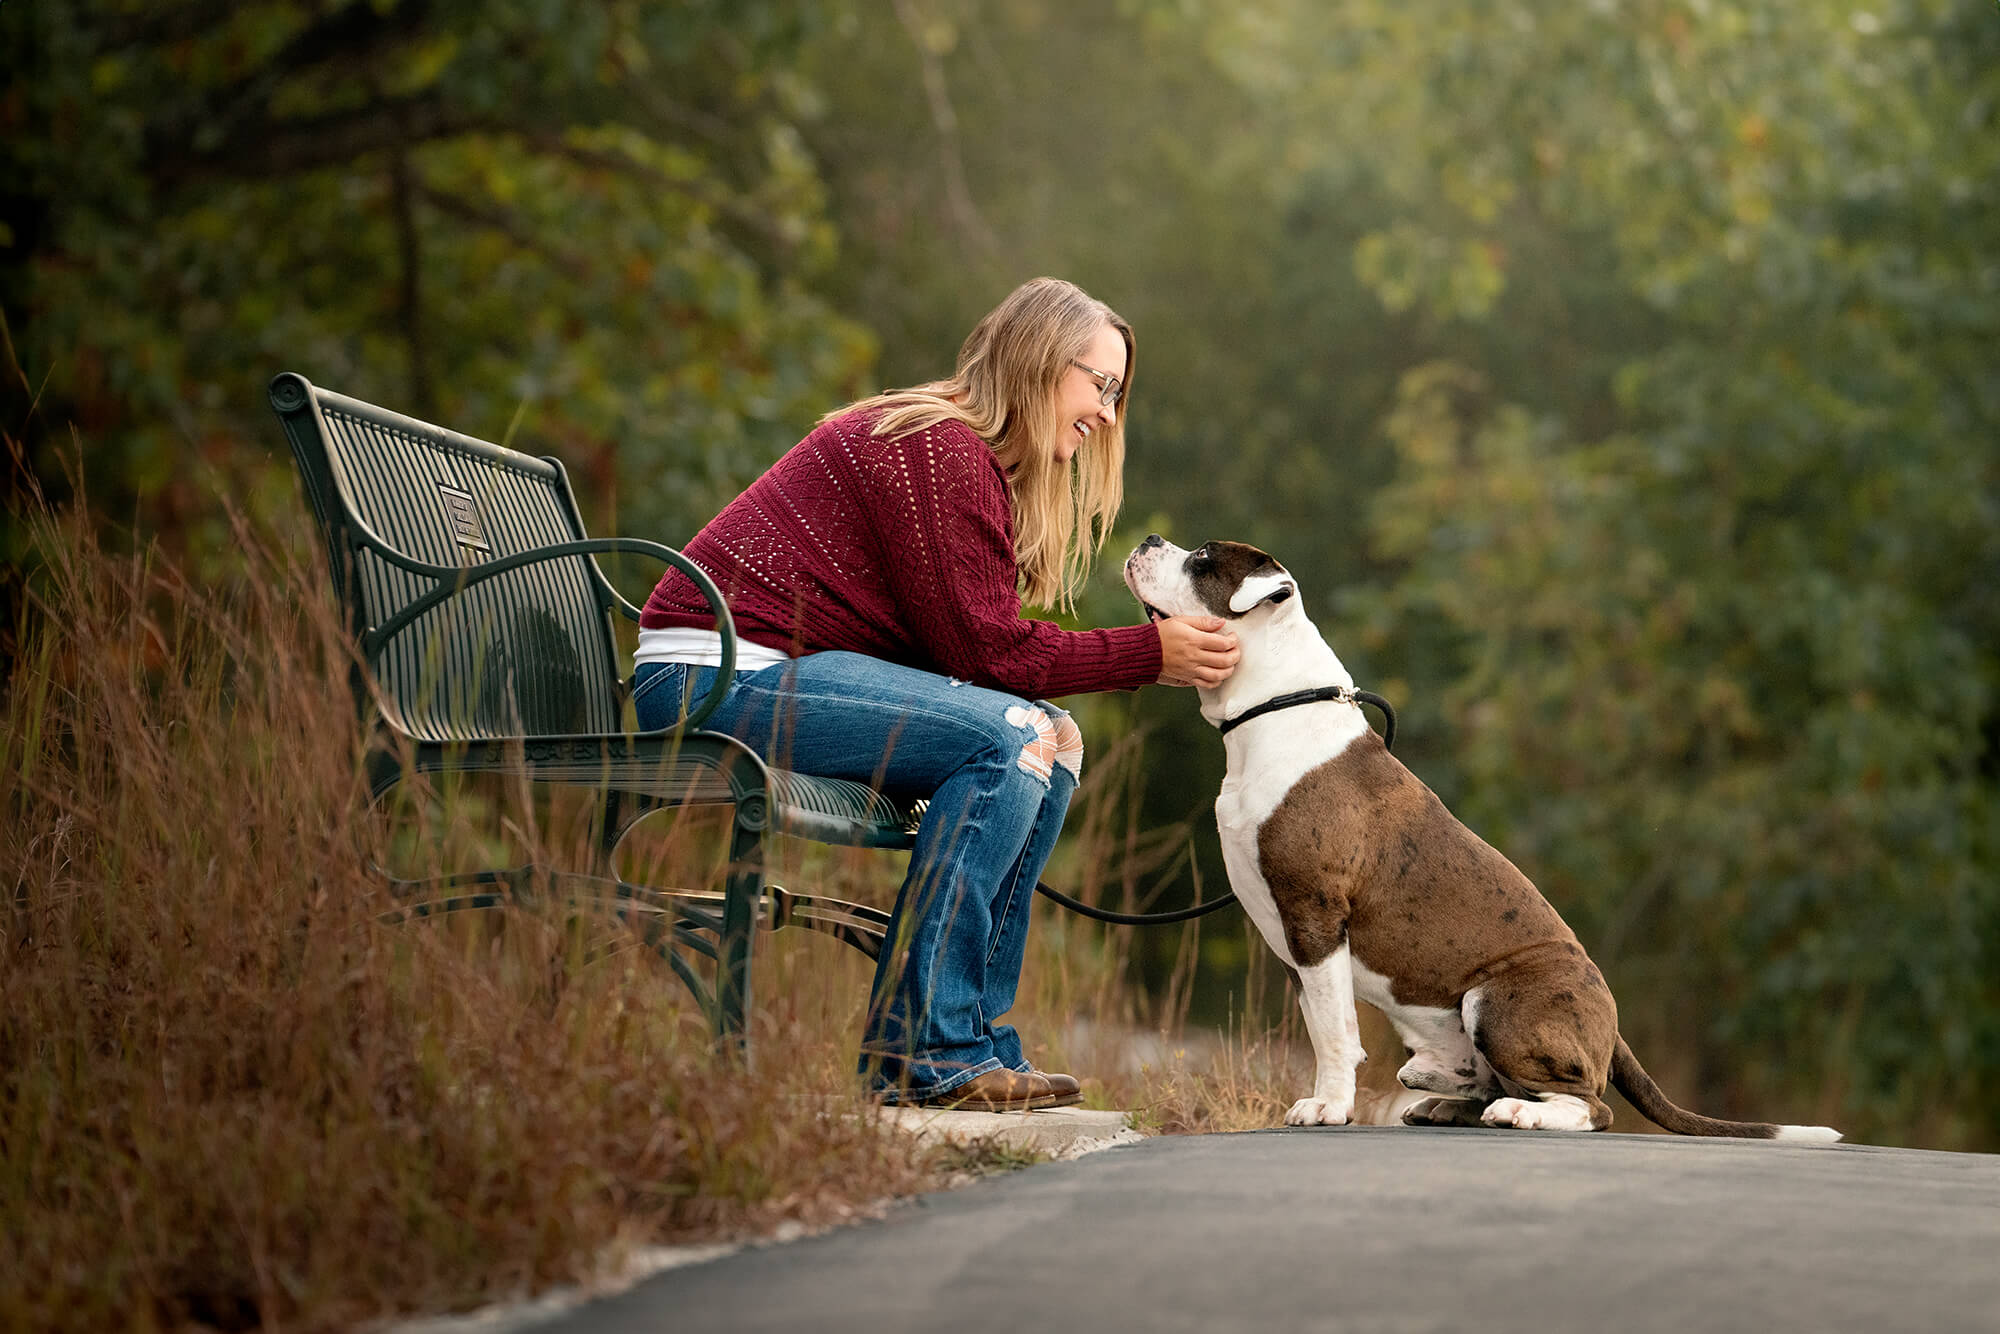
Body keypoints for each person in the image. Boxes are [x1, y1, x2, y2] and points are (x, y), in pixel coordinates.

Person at [632, 277, 1239, 1110]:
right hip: (715, 676)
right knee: (1010, 732)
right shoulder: (941, 450)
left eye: (1117, 393)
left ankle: (971, 1040)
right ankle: (925, 1051)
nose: (1106, 411)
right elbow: (989, 654)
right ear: (1038, 361)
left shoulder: (960, 456)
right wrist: (1148, 652)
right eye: (1099, 383)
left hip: (771, 670)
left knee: (1053, 738)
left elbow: (975, 650)